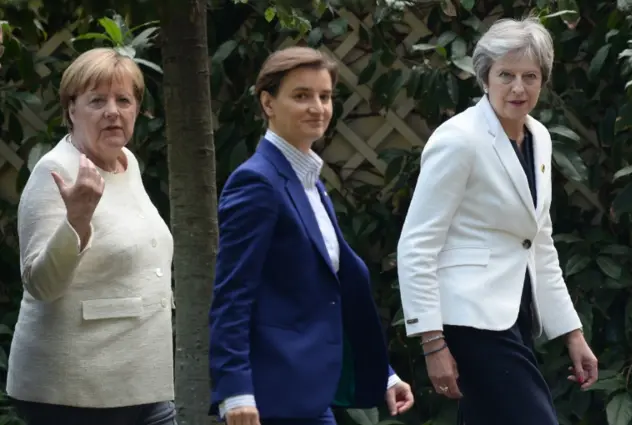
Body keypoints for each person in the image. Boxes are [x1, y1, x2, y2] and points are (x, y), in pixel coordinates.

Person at [396, 17, 598, 425]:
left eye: (531, 76)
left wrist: (572, 333)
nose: (518, 88)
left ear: (543, 81)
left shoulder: (539, 136)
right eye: (506, 75)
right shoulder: (458, 139)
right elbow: (417, 243)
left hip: (517, 316)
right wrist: (432, 343)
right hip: (471, 321)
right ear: (485, 77)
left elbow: (538, 240)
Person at [208, 46, 414, 425]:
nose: (317, 107)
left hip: (310, 393)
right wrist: (235, 391)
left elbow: (334, 289)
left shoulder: (308, 182)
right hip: (267, 401)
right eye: (301, 96)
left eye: (325, 96)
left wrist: (384, 373)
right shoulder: (257, 182)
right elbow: (231, 297)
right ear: (268, 103)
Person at [7, 47, 176, 425]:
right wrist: (77, 222)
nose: (113, 111)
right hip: (75, 393)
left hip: (140, 382)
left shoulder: (126, 162)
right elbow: (40, 284)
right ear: (71, 109)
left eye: (123, 100)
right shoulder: (54, 171)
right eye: (97, 100)